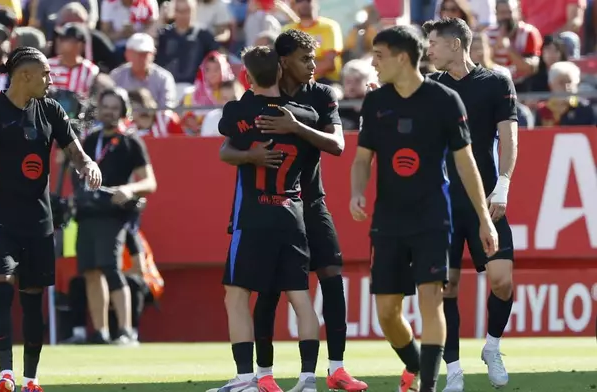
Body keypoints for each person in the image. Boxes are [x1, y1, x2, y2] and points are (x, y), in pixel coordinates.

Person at [350, 26, 498, 392]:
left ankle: (429, 386)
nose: (373, 63)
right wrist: (357, 191)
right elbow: (362, 158)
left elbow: (466, 165)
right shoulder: (375, 102)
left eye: (379, 55)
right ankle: (415, 365)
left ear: (402, 58)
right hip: (387, 220)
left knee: (432, 300)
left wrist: (484, 219)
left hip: (433, 217)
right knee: (387, 313)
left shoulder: (445, 101)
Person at [219, 29, 368, 392]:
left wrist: (295, 126)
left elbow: (337, 144)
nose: (314, 66)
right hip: (283, 204)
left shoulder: (319, 95)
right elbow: (230, 151)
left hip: (311, 200)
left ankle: (336, 368)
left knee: (331, 277)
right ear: (283, 62)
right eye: (305, 59)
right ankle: (265, 374)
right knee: (270, 292)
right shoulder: (260, 97)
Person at [0, 46, 101, 392]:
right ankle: (6, 374)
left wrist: (89, 166)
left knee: (33, 300)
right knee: (2, 288)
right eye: (46, 74)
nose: (52, 80)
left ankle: (32, 379)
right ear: (25, 76)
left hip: (38, 222)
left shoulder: (51, 110)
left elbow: (76, 154)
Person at [210, 45, 320, 392]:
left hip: (254, 215)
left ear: (246, 76)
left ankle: (246, 379)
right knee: (300, 297)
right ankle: (307, 379)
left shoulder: (237, 112)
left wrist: (250, 153)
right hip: (291, 213)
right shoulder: (305, 114)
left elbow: (226, 143)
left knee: (236, 293)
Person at [423, 17, 518, 392]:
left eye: (433, 43)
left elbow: (509, 137)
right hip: (442, 206)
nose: (428, 49)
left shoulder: (496, 82)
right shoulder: (430, 87)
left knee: (502, 282)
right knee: (446, 289)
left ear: (455, 45)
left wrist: (505, 184)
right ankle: (454, 370)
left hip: (485, 202)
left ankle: (492, 347)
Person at [73, 88, 157, 346]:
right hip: (87, 211)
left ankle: (126, 330)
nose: (109, 111)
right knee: (90, 270)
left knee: (110, 267)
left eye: (114, 107)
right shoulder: (90, 139)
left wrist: (129, 189)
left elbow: (151, 182)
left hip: (114, 213)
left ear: (122, 110)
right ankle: (100, 332)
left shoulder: (131, 141)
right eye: (105, 106)